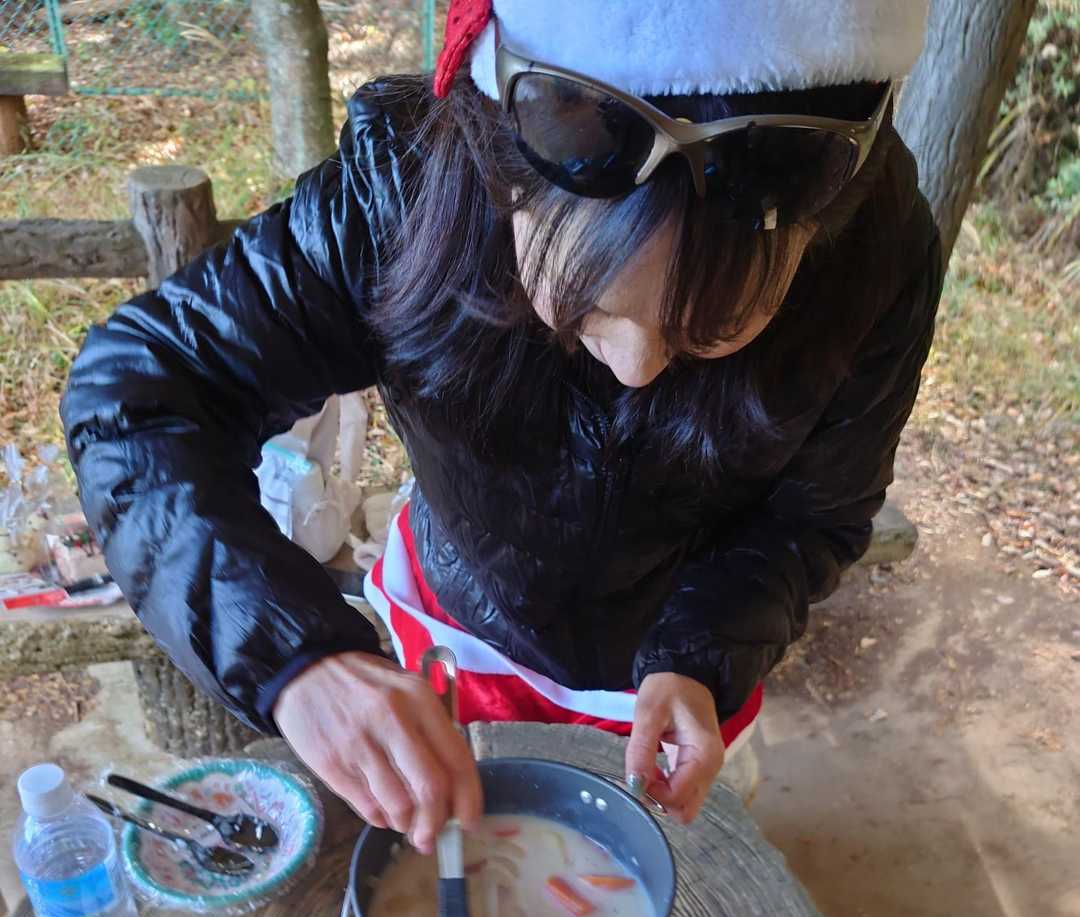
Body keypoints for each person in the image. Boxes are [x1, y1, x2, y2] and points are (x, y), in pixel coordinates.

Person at [61, 0, 942, 854]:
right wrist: (292, 657)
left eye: (709, 332)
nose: (638, 367)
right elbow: (136, 395)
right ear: (501, 176)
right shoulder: (403, 190)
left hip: (675, 676)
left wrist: (704, 654)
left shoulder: (873, 257)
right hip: (458, 624)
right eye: (592, 311)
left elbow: (817, 516)